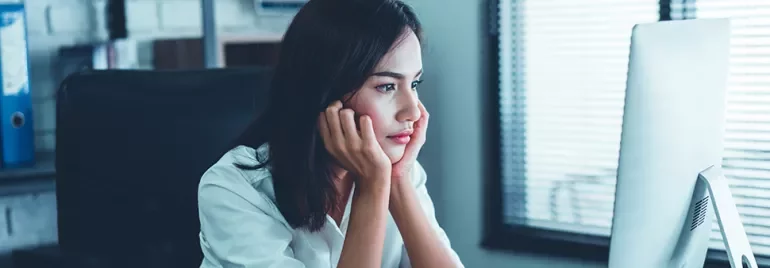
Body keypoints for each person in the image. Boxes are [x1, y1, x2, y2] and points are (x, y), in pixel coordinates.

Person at [196, 0, 463, 267]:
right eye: (387, 87)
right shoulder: (234, 188)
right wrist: (372, 190)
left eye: (414, 83)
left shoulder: (399, 170)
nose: (413, 112)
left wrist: (398, 181)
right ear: (326, 94)